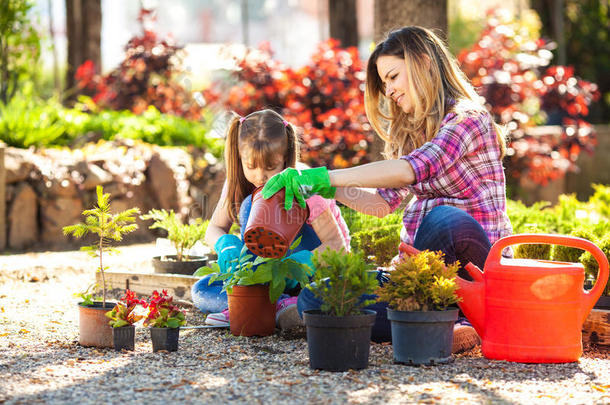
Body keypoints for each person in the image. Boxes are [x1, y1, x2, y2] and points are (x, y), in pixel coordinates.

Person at [262, 27, 513, 352]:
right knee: (318, 296)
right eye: (384, 83)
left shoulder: (468, 120)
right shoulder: (413, 132)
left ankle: (464, 317)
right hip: (420, 275)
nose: (389, 90)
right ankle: (435, 321)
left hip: (476, 268)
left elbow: (412, 168)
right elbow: (380, 204)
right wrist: (317, 184)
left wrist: (330, 176)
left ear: (423, 62)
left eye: (393, 76)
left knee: (443, 220)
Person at [192, 109, 350, 330]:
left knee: (253, 205)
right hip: (264, 280)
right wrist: (225, 244)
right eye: (251, 166)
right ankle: (277, 306)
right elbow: (215, 228)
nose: (260, 176)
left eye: (270, 168)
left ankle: (260, 307)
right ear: (239, 158)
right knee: (200, 290)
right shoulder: (237, 182)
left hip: (312, 276)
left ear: (285, 159)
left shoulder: (304, 184)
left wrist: (303, 263)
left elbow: (339, 246)